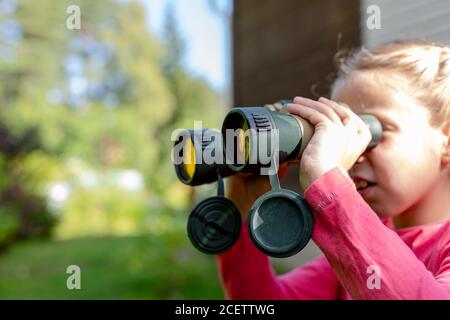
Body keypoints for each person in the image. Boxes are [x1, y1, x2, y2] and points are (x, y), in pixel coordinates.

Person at [216, 40, 450, 299]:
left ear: (447, 140)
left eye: (372, 131)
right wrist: (241, 207)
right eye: (344, 131)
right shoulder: (355, 247)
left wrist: (331, 187)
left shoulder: (360, 242)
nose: (354, 150)